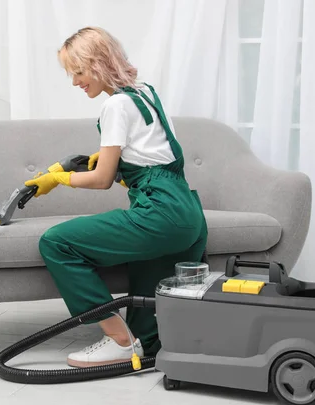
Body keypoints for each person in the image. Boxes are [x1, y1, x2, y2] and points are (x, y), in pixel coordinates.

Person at [24, 26, 208, 368]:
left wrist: (58, 178)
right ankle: (141, 348)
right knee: (146, 311)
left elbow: (101, 180)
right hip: (188, 215)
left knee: (57, 243)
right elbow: (154, 159)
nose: (76, 81)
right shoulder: (145, 92)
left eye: (78, 71)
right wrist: (120, 164)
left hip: (160, 212)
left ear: (96, 64)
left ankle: (117, 339)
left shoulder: (116, 106)